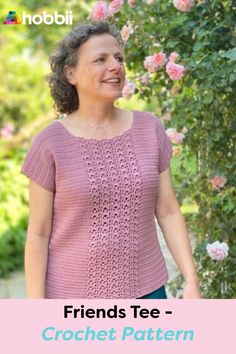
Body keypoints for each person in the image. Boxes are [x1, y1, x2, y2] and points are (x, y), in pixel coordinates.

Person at [21, 21, 201, 299]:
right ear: (71, 73)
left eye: (119, 58)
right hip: (72, 300)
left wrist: (191, 280)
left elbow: (168, 210)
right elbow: (39, 234)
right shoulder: (50, 143)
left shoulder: (149, 129)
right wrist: (37, 307)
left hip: (147, 292)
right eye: (100, 59)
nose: (115, 66)